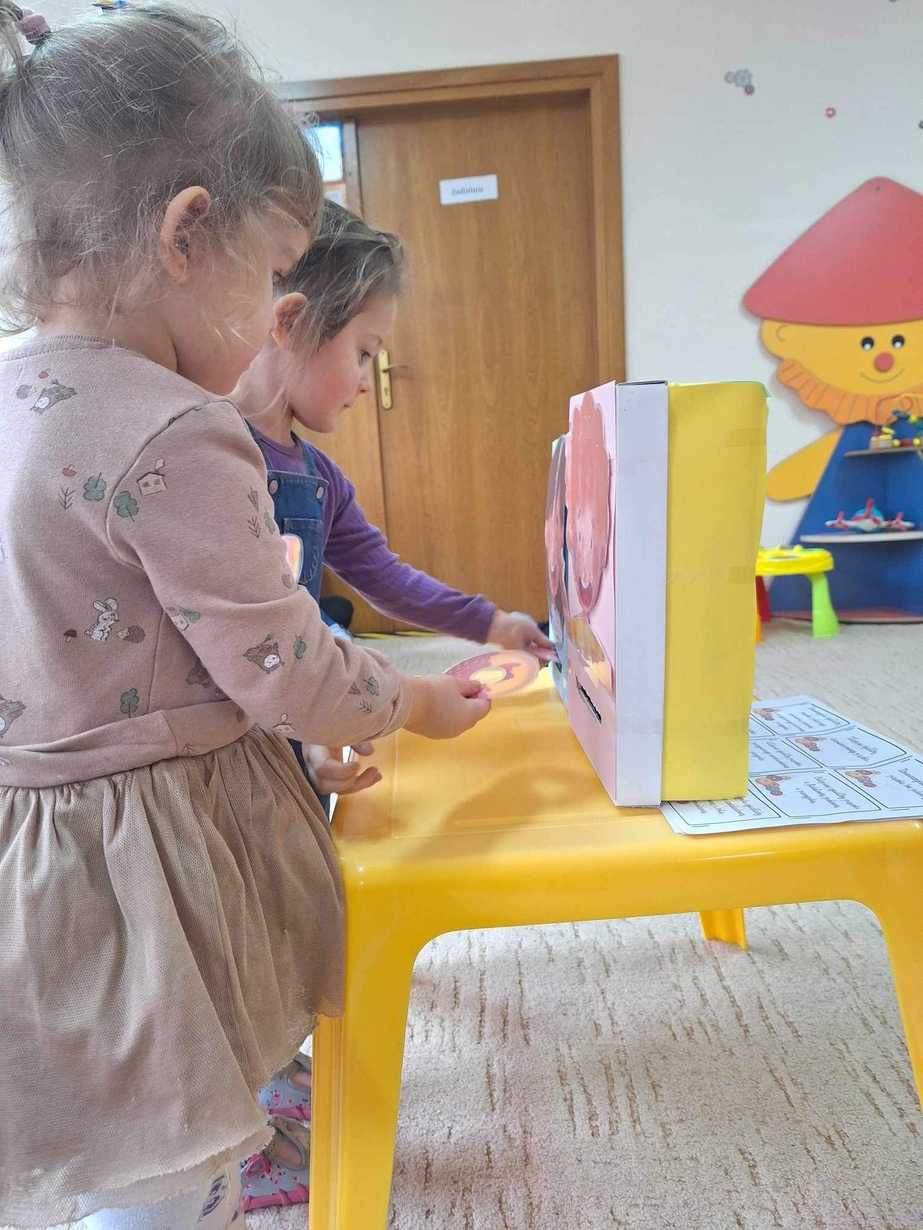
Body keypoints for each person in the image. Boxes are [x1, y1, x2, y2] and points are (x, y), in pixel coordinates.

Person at [0, 7, 489, 1229]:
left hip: (34, 844)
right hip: (149, 853)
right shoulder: (178, 425)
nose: (278, 305)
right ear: (185, 236)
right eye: (274, 273)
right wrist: (417, 702)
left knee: (106, 1111)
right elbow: (286, 668)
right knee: (181, 1149)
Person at [238, 200, 554, 805]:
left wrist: (492, 624)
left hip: (294, 718)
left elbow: (385, 579)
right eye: (363, 351)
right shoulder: (207, 455)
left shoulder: (322, 478)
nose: (367, 379)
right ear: (292, 323)